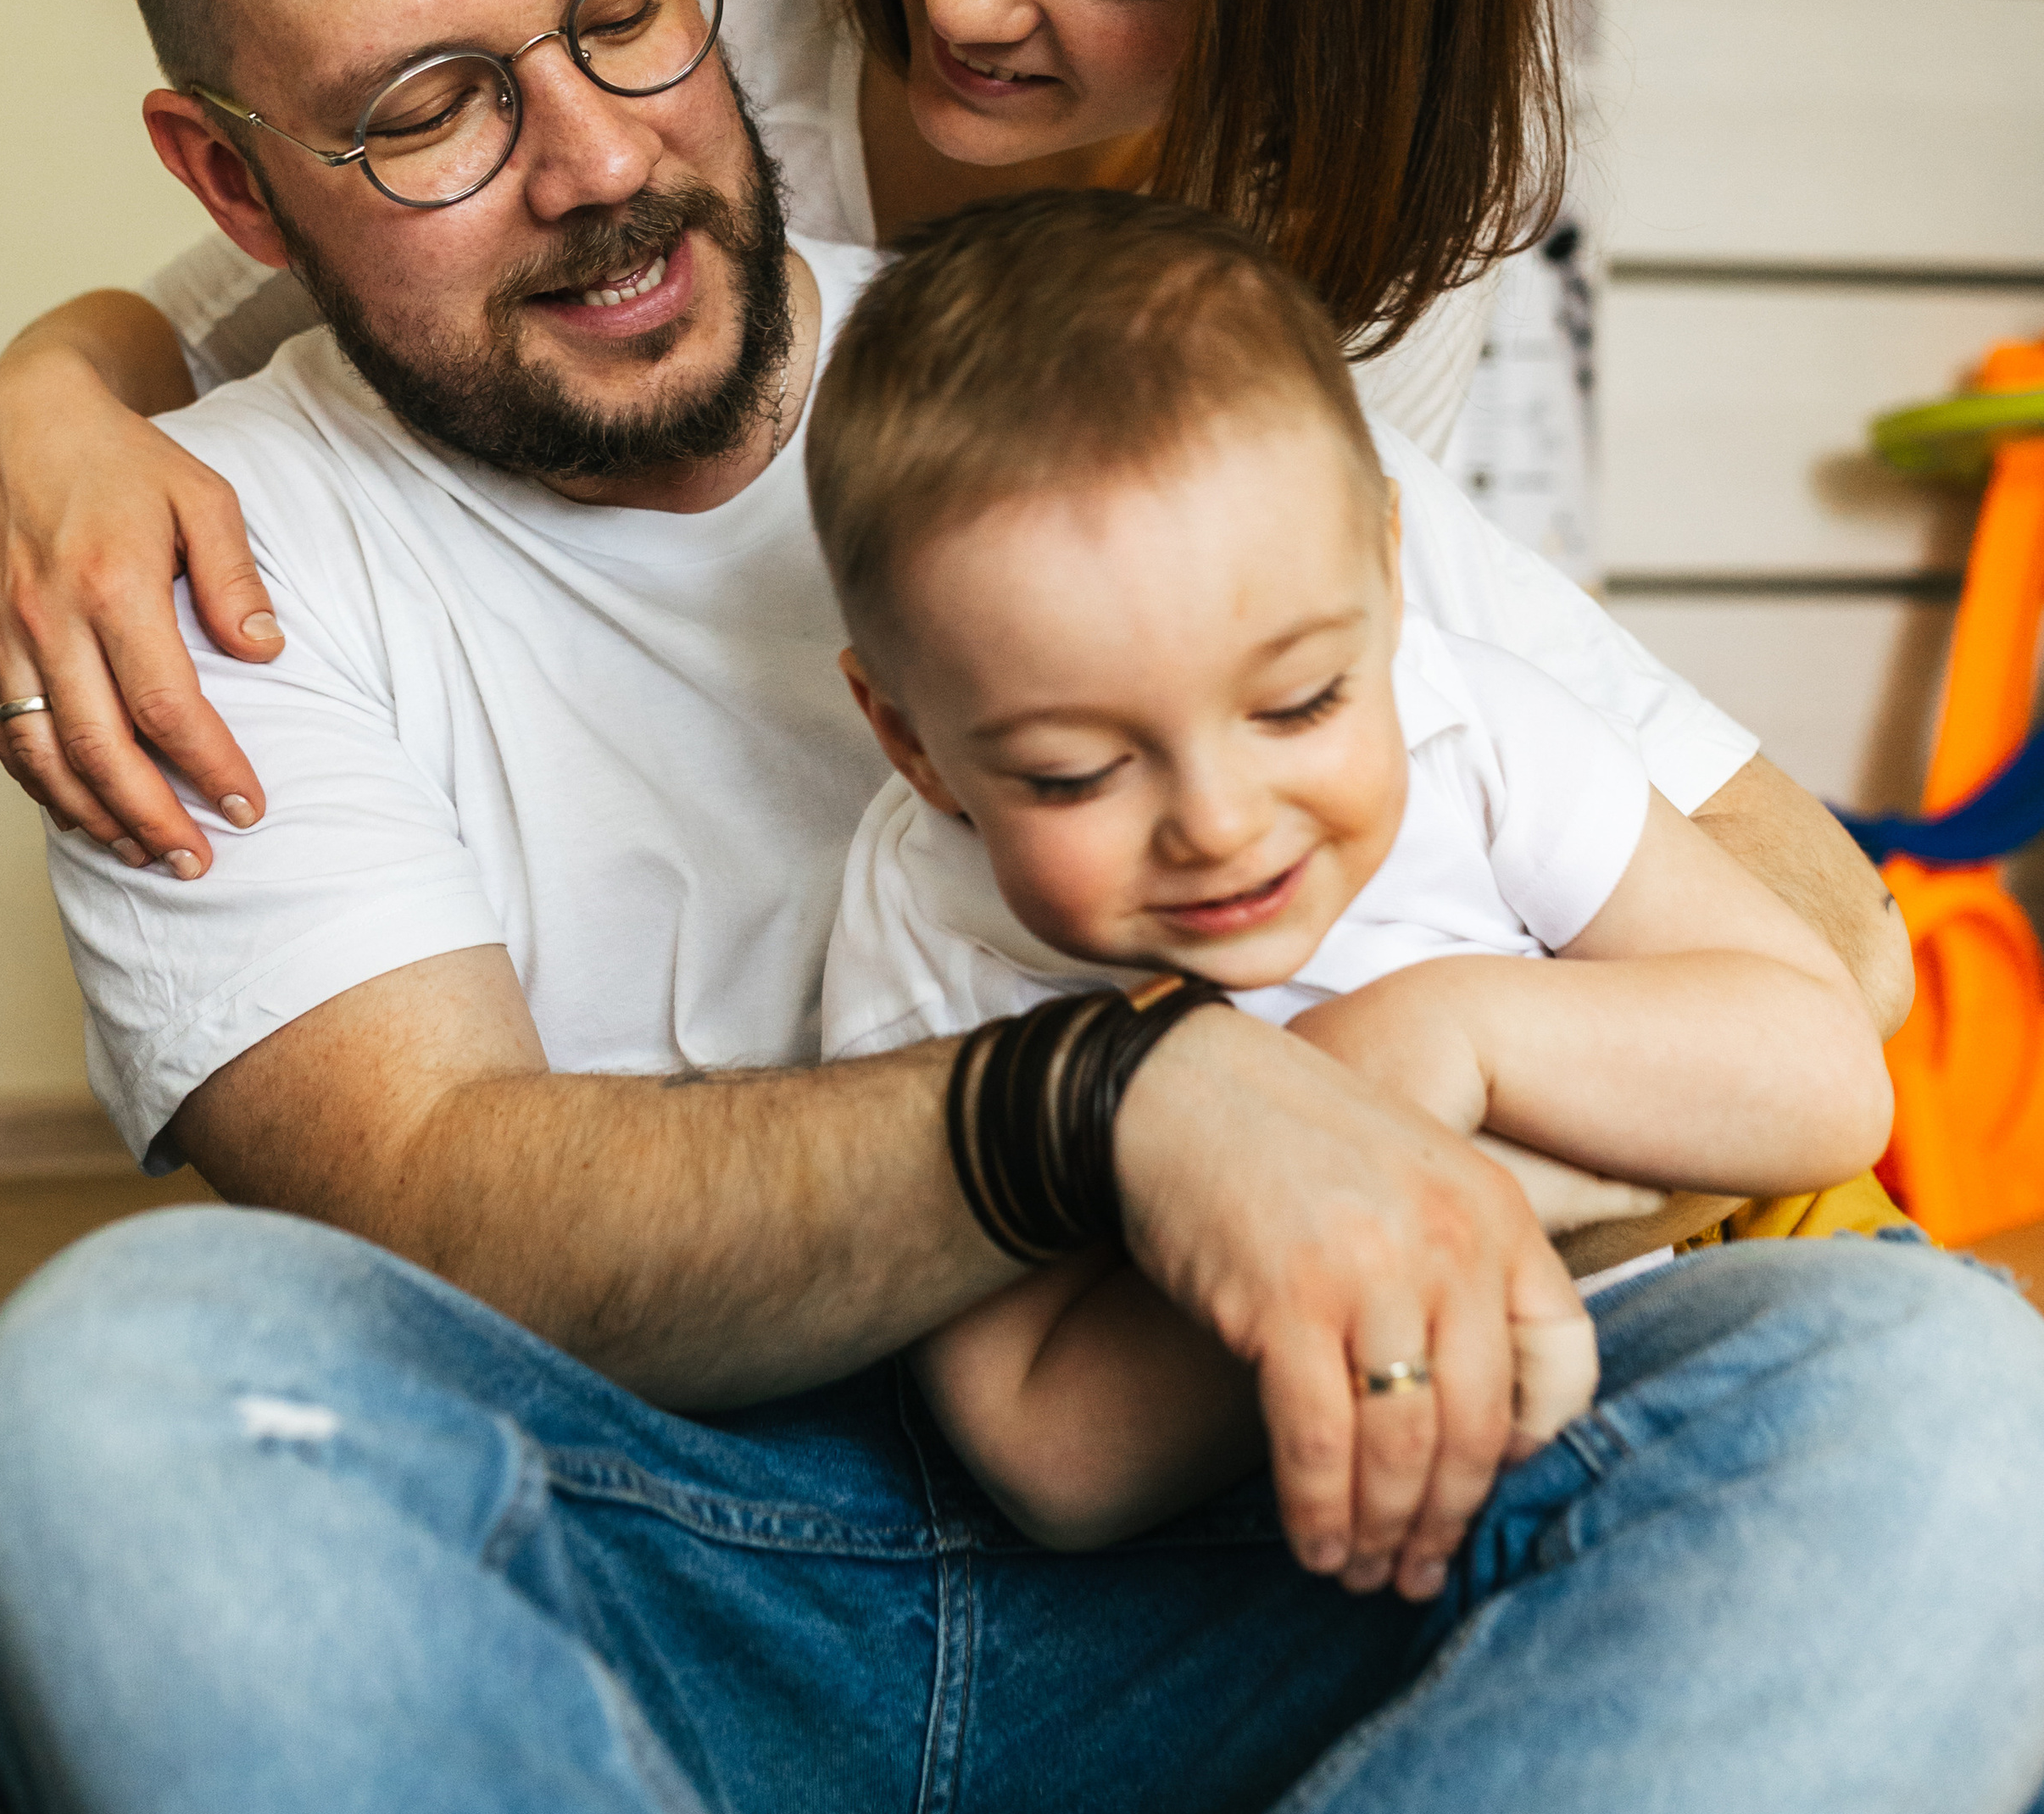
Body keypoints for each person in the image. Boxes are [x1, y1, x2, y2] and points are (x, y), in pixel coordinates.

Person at [0, 0, 2044, 1814]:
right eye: (432, 106)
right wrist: (1121, 1103)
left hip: (1324, 1598)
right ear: (233, 188)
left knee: (1948, 1401)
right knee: (111, 1402)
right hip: (683, 1645)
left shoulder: (1114, 394)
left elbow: (1809, 946)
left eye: (617, 11)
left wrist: (1429, 1108)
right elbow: (437, 1205)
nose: (589, 156)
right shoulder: (182, 557)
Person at [0, 0, 1908, 1093]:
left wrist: (1435, 1089)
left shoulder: (1364, 231)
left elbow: (1368, 725)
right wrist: (37, 411)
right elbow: (233, 292)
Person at [805, 190, 1895, 1550]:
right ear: (910, 741)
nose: (1217, 822)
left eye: (1301, 704)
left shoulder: (1465, 723)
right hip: (1301, 1550)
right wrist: (1398, 1202)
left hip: (1681, 1371)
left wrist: (1447, 1037)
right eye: (1076, 773)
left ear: (1388, 576)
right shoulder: (921, 928)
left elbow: (1832, 1076)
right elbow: (1052, 1451)